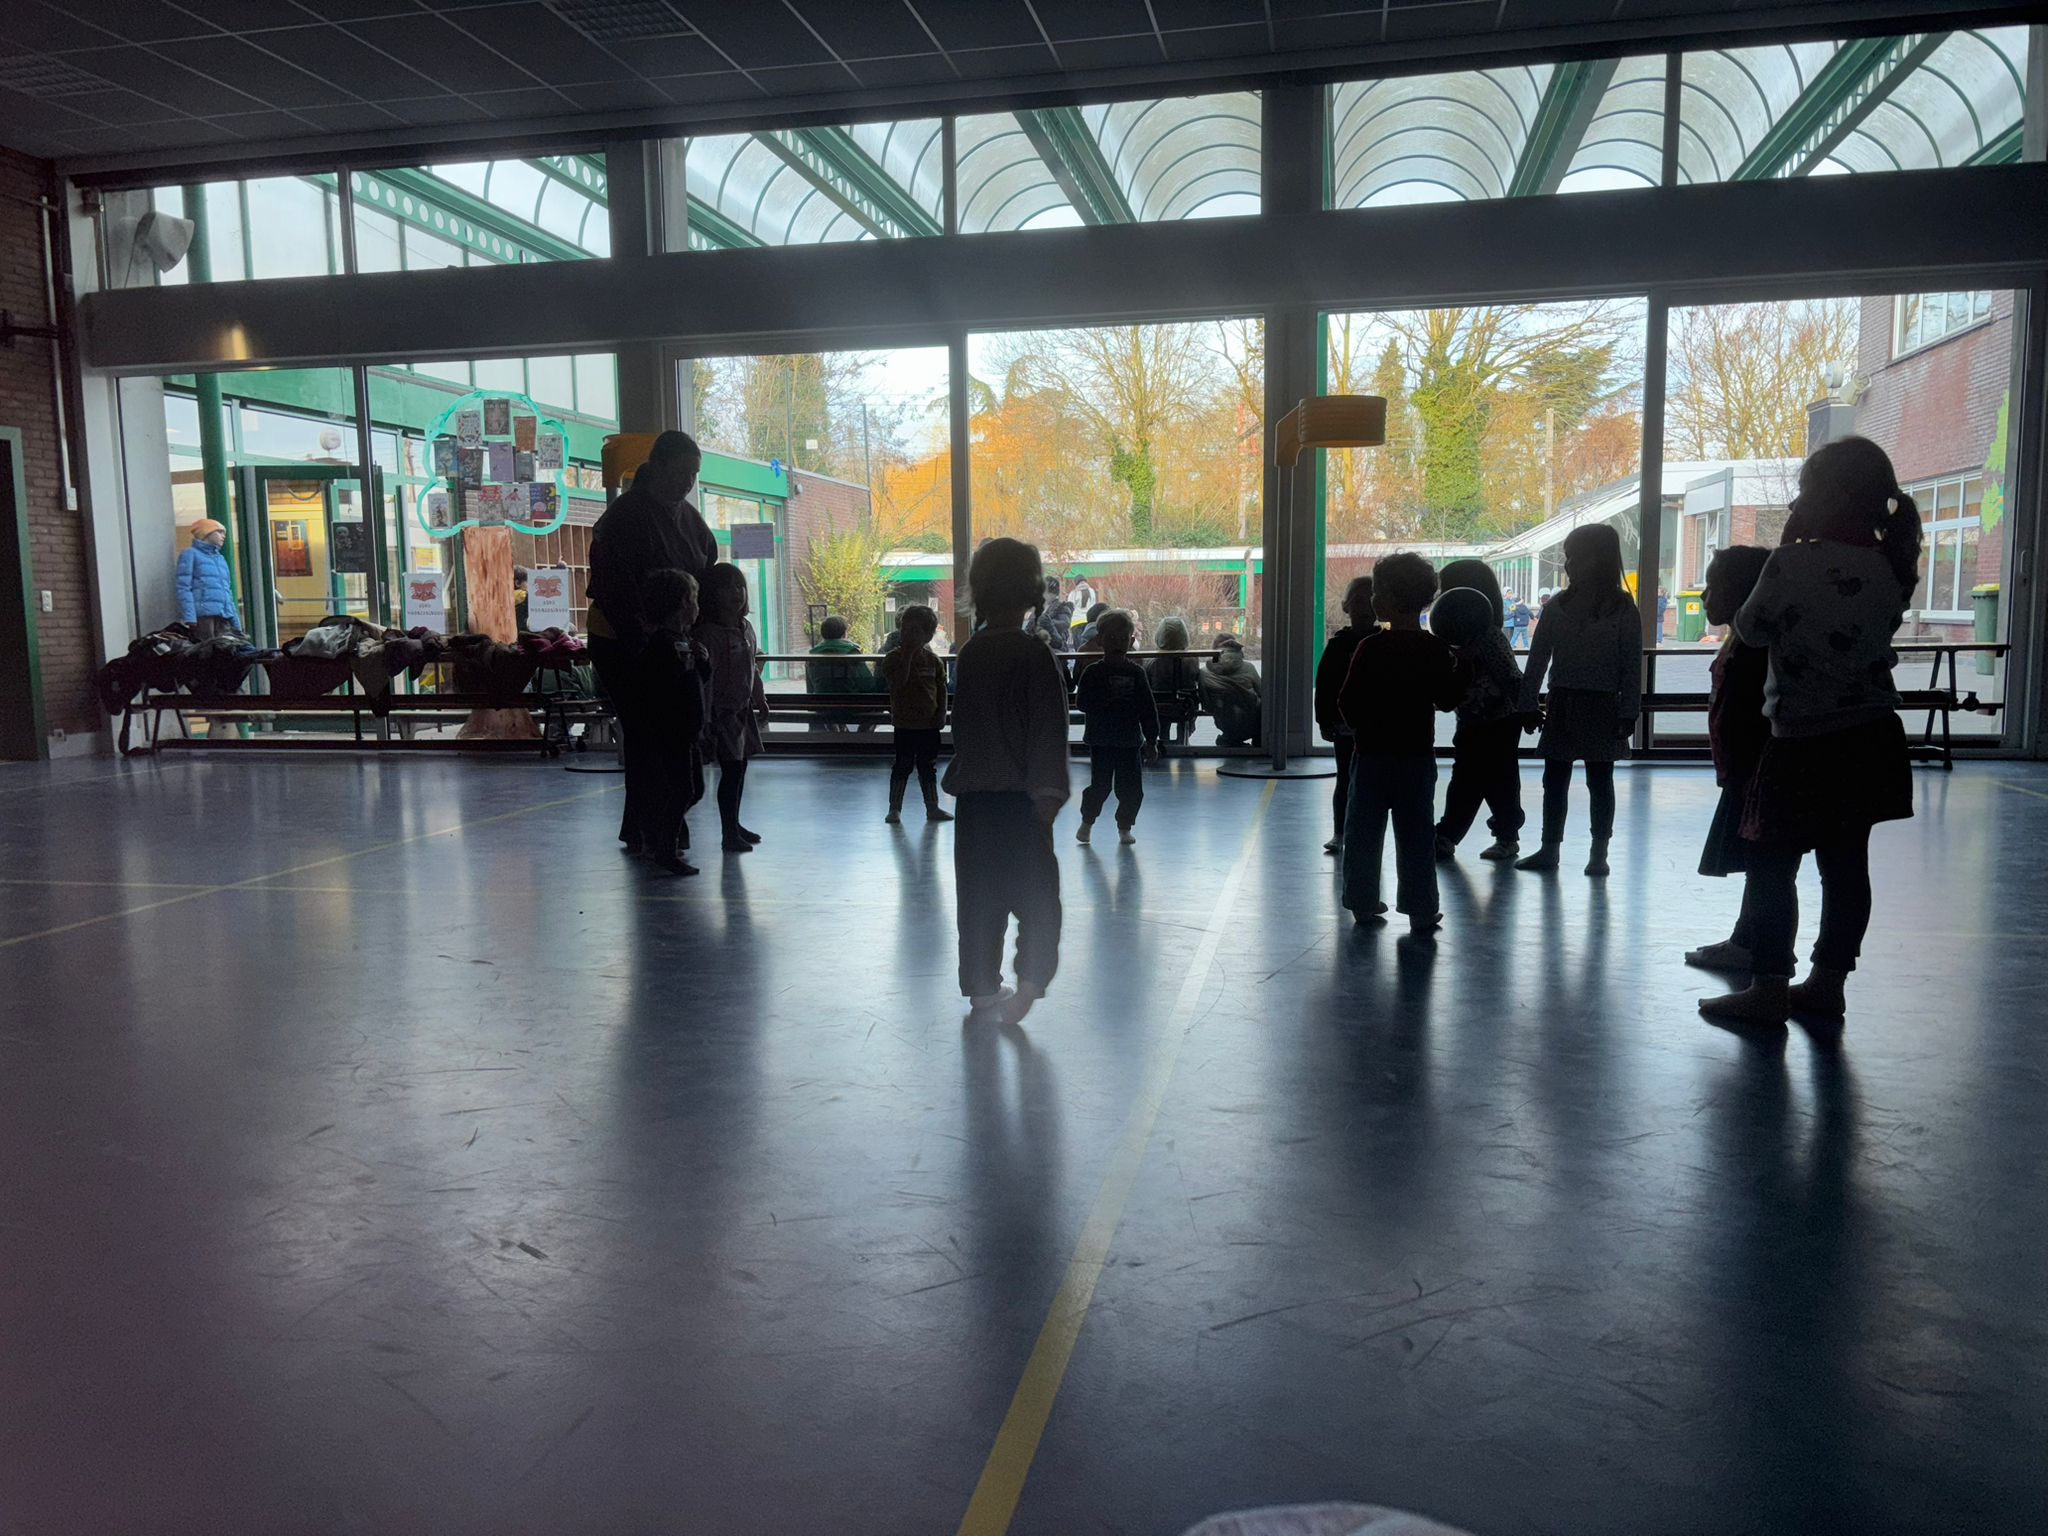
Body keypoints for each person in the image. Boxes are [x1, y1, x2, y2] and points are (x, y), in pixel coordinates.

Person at [1700, 438, 1920, 1026]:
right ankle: (1828, 983)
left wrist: (1789, 544)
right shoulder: (1892, 565)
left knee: (1771, 865)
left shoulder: (1790, 563)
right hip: (1872, 736)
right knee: (1846, 867)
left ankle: (1769, 985)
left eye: (1803, 491)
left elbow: (1750, 628)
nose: (1796, 503)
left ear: (1827, 497)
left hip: (1801, 740)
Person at [942, 538, 1070, 1027]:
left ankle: (981, 987)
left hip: (975, 800)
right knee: (1037, 898)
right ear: (1033, 593)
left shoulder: (971, 652)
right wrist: (1049, 793)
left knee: (979, 897)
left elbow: (965, 727)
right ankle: (1031, 981)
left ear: (978, 591)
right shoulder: (1034, 654)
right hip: (1022, 800)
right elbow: (1049, 728)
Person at [585, 431, 718, 853]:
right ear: (656, 466)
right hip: (621, 637)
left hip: (671, 636)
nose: (687, 482)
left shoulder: (689, 518)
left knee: (664, 732)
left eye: (693, 474)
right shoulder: (624, 516)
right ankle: (657, 826)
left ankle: (653, 825)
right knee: (647, 731)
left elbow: (708, 568)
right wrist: (644, 640)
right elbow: (615, 587)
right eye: (680, 472)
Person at [1337, 553, 1466, 935]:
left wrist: (1359, 726)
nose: (1372, 598)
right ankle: (1421, 908)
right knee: (1417, 836)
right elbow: (1447, 699)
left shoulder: (1370, 647)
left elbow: (1348, 700)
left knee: (1362, 834)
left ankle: (1362, 901)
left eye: (1377, 591)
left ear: (1390, 598)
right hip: (1416, 759)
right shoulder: (1434, 649)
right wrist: (1465, 666)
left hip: (1371, 757)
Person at [1514, 525, 1641, 876]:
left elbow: (1631, 665)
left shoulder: (1594, 607)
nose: (1568, 564)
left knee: (1596, 781)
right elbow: (1538, 659)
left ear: (1598, 559)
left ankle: (1593, 852)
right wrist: (1527, 703)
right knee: (1559, 780)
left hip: (1590, 704)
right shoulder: (1598, 607)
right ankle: (1556, 849)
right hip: (1572, 702)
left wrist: (1629, 711)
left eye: (1575, 556)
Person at [1683, 546, 1772, 974]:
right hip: (1745, 767)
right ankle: (1747, 938)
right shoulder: (1744, 638)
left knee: (1762, 859)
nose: (1704, 596)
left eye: (1713, 585)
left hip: (1752, 768)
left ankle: (1755, 946)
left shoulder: (1754, 645)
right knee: (1758, 859)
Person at [1432, 558, 1527, 863]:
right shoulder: (1456, 642)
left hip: (1500, 723)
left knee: (1495, 781)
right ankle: (1452, 835)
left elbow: (1510, 676)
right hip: (1472, 722)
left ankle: (1490, 836)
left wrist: (1527, 709)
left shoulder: (1488, 636)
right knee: (1471, 779)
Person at [634, 568, 709, 878]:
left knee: (694, 789)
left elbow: (699, 680)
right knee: (682, 789)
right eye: (694, 599)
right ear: (682, 603)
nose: (697, 606)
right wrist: (687, 666)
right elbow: (663, 687)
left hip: (687, 731)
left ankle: (662, 836)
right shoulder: (661, 645)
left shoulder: (684, 641)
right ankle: (663, 845)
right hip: (670, 732)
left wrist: (702, 661)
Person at [696, 562, 769, 854]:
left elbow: (751, 667)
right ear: (712, 594)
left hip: (742, 710)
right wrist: (705, 719)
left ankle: (735, 824)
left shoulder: (746, 628)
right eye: (727, 588)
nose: (736, 593)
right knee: (731, 770)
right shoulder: (708, 634)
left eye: (739, 586)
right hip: (720, 713)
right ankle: (728, 832)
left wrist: (759, 697)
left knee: (740, 768)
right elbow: (705, 680)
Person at [1074, 611, 1162, 846]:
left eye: (1123, 638)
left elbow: (1147, 708)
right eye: (1111, 638)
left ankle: (1125, 826)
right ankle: (1087, 821)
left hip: (1129, 742)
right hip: (1101, 741)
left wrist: (1152, 740)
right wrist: (1104, 701)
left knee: (1132, 789)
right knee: (1100, 786)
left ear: (1131, 641)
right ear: (1099, 640)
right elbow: (1082, 702)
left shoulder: (1136, 673)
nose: (1118, 643)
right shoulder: (1092, 672)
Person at [1313, 576, 1376, 856]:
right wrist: (1323, 720)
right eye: (1358, 600)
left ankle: (1365, 832)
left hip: (1374, 724)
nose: (1364, 607)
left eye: (1370, 600)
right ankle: (1340, 832)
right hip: (1344, 724)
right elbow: (1324, 684)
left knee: (1371, 780)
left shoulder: (1382, 642)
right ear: (1346, 607)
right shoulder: (1338, 645)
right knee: (1345, 778)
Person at [879, 603, 953, 826]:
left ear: (927, 635)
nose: (907, 634)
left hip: (928, 724)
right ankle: (894, 808)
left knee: (927, 767)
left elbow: (941, 689)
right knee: (902, 766)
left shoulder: (934, 661)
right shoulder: (893, 658)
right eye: (904, 629)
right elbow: (898, 683)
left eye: (914, 630)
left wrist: (941, 713)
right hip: (904, 724)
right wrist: (908, 657)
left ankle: (932, 806)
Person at [175, 519, 242, 639]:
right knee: (207, 648)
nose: (223, 536)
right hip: (204, 618)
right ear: (206, 533)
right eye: (219, 532)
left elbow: (227, 591)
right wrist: (190, 617)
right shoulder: (190, 554)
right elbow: (183, 588)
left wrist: (235, 621)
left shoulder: (220, 559)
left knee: (228, 648)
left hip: (224, 617)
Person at [808, 614, 876, 731]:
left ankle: (835, 732)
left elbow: (812, 687)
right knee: (879, 701)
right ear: (844, 634)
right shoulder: (852, 653)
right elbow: (867, 684)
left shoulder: (813, 655)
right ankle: (861, 734)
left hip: (823, 706)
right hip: (851, 706)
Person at [1201, 635, 1263, 747]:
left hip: (1224, 723)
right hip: (1253, 724)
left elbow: (1207, 706)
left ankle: (1229, 739)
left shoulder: (1204, 673)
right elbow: (1263, 693)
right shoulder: (1249, 668)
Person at [1034, 575, 1074, 652]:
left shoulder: (1061, 607)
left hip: (1056, 647)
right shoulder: (1040, 607)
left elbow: (1065, 623)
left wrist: (1047, 623)